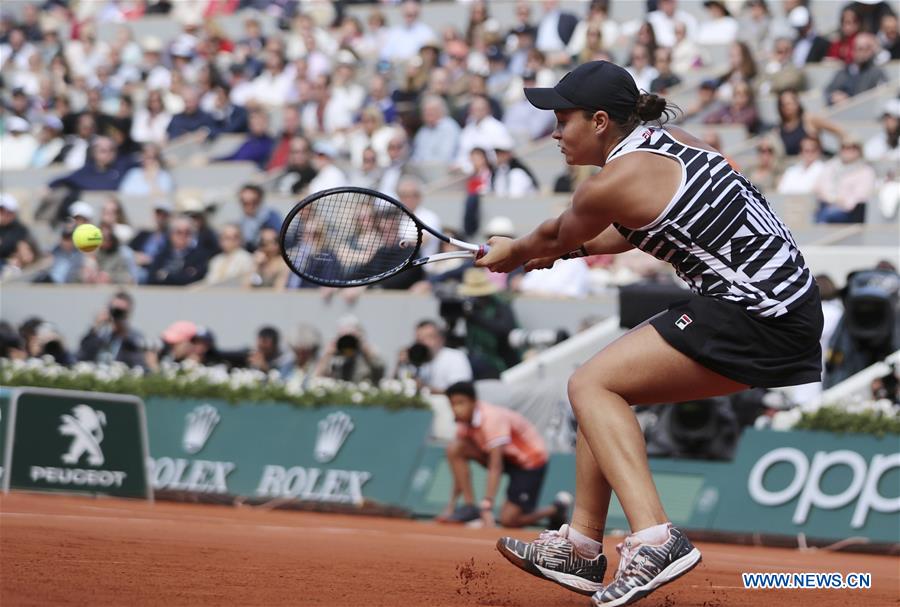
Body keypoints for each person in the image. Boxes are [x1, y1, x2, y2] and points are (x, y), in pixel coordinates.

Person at [477, 61, 824, 605]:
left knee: (591, 387)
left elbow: (552, 233)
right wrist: (568, 249)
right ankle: (581, 547)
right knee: (600, 387)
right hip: (785, 307)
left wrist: (514, 252)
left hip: (757, 311)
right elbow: (628, 227)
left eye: (561, 119)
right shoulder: (669, 143)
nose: (553, 132)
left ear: (597, 122)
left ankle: (656, 538)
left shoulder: (610, 181)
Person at [437, 381, 571, 529]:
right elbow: (459, 470)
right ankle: (469, 507)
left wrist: (487, 506)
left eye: (461, 403)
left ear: (474, 401)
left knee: (509, 520)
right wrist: (451, 506)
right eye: (453, 404)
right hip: (507, 458)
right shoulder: (463, 423)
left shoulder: (491, 418)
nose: (457, 409)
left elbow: (496, 465)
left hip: (530, 462)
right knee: (455, 448)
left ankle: (555, 510)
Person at [813, 139, 876, 223]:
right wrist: (832, 199)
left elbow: (862, 195)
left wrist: (843, 202)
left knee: (826, 215)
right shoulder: (830, 166)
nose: (848, 151)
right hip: (827, 204)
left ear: (859, 151)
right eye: (845, 147)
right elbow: (820, 186)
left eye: (853, 148)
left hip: (850, 211)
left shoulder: (865, 171)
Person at [400, 319, 473, 393]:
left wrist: (424, 388)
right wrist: (400, 364)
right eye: (419, 339)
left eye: (428, 337)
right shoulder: (413, 360)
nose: (423, 342)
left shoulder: (455, 357)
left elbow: (460, 394)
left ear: (441, 340)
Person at [78, 291, 147, 368]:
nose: (117, 314)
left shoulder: (134, 337)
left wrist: (123, 333)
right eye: (114, 310)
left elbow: (138, 363)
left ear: (128, 313)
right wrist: (95, 327)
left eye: (121, 312)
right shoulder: (99, 334)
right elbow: (82, 355)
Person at [824, 33, 887, 105]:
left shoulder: (876, 73)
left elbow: (881, 96)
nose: (863, 53)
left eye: (867, 49)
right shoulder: (844, 71)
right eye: (859, 49)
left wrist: (849, 101)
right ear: (853, 50)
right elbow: (827, 91)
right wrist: (833, 97)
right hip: (838, 111)